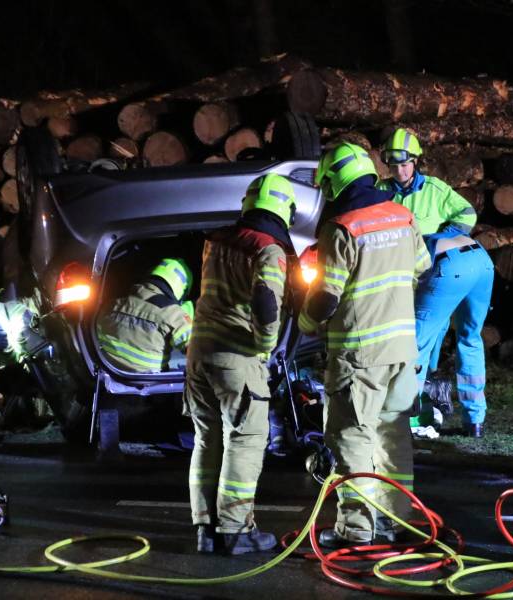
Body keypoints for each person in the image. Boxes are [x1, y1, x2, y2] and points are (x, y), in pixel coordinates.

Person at [299, 142, 430, 547]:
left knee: (351, 437)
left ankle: (356, 528)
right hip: (402, 352)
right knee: (393, 436)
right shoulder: (402, 215)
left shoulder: (342, 228)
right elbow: (422, 268)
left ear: (334, 184)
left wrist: (305, 321)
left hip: (360, 355)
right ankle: (399, 519)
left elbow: (326, 296)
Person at [185, 173, 297, 555]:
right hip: (237, 354)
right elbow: (266, 300)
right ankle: (236, 531)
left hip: (199, 352)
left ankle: (205, 530)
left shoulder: (217, 241)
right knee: (245, 440)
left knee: (206, 439)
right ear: (284, 209)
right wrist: (265, 345)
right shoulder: (267, 248)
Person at [380, 128, 494, 437]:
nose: (400, 170)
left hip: (449, 268)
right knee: (469, 338)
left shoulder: (433, 188)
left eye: (405, 163)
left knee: (411, 343)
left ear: (415, 161)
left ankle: (407, 415)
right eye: (393, 164)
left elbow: (467, 213)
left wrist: (434, 240)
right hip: (479, 263)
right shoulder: (383, 191)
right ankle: (475, 420)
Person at [96, 258, 194, 373]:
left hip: (106, 372)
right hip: (149, 384)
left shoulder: (113, 304)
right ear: (181, 289)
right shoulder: (174, 314)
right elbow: (199, 354)